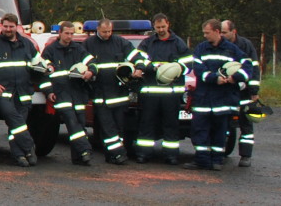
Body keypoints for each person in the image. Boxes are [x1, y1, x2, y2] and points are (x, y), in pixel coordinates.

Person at [185, 19, 252, 171]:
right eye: (204, 33)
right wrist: (215, 78)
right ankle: (202, 160)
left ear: (216, 31)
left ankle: (217, 161)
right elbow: (198, 69)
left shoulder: (231, 49)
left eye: (207, 33)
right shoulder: (201, 48)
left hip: (222, 100)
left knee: (220, 132)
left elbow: (247, 65)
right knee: (199, 131)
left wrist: (234, 78)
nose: (205, 36)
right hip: (203, 99)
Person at [0, 13, 40, 167]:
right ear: (2, 25)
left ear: (16, 26)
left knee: (17, 124)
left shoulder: (27, 44)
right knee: (14, 119)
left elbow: (38, 63)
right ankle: (29, 148)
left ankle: (19, 155)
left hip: (23, 92)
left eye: (11, 26)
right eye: (5, 26)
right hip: (2, 92)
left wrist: (48, 67)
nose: (8, 29)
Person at [85, 19, 144, 165]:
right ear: (98, 29)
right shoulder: (89, 44)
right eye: (104, 31)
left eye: (109, 31)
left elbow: (136, 56)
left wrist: (139, 67)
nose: (107, 34)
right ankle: (118, 154)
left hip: (119, 94)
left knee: (119, 128)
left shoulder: (120, 42)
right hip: (101, 95)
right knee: (108, 128)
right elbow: (84, 62)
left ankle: (113, 154)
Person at [134, 13, 190, 165]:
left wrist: (176, 68)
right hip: (150, 93)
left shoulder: (178, 43)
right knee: (146, 124)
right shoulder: (147, 43)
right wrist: (153, 67)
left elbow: (188, 63)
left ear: (168, 24)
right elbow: (139, 60)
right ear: (154, 27)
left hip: (171, 94)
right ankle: (143, 154)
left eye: (163, 27)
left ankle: (171, 156)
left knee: (171, 125)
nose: (161, 30)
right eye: (158, 27)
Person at [39, 21, 96, 166]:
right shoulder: (50, 50)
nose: (70, 36)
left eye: (72, 34)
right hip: (61, 93)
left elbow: (92, 62)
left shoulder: (78, 49)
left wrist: (91, 71)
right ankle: (85, 150)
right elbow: (43, 75)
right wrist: (48, 91)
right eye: (67, 33)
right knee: (71, 122)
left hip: (78, 92)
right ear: (60, 33)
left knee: (80, 124)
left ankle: (78, 158)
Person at [221, 20, 260, 167]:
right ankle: (221, 152)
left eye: (225, 32)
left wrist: (254, 91)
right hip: (226, 91)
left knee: (246, 124)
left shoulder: (245, 46)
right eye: (221, 32)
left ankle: (245, 156)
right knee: (224, 124)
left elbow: (254, 69)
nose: (222, 35)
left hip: (244, 93)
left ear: (233, 32)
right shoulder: (220, 46)